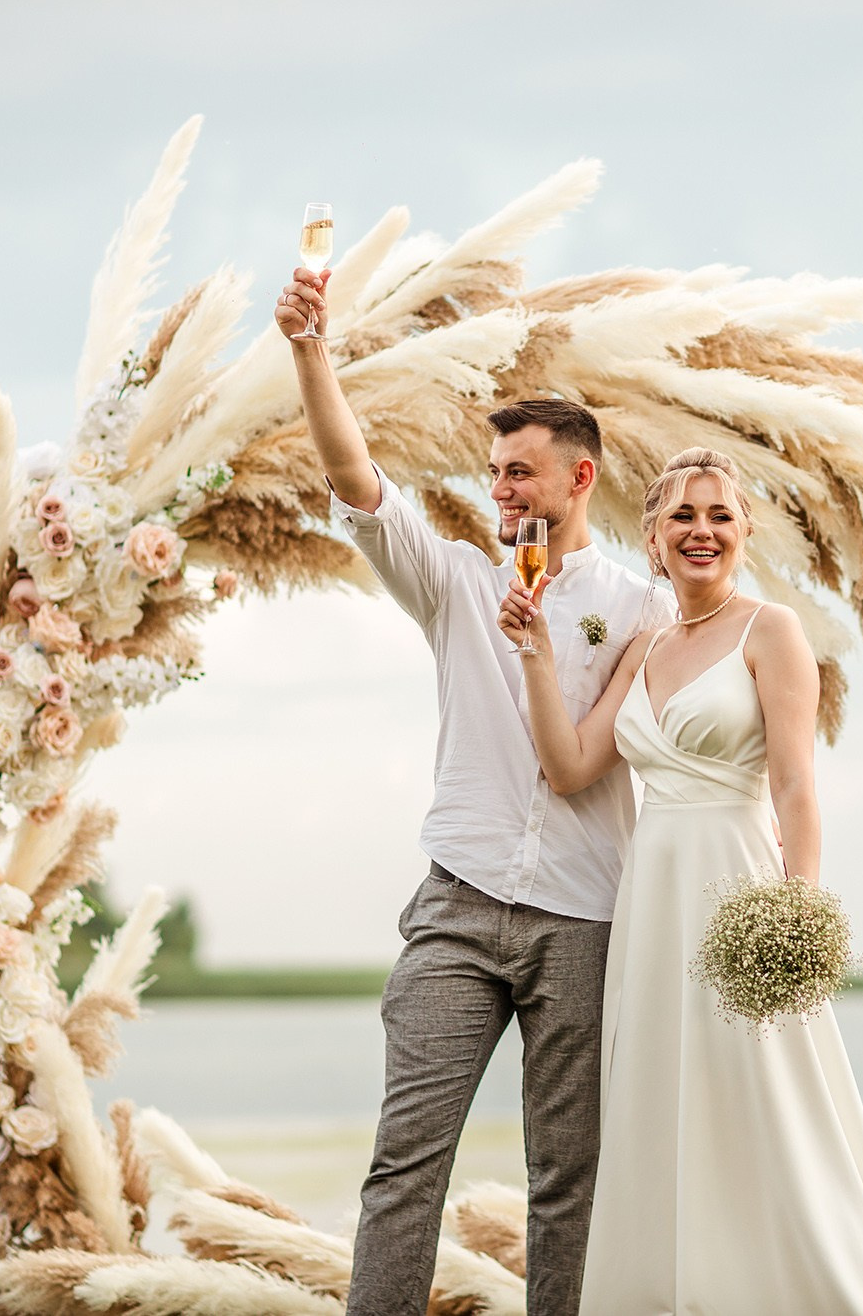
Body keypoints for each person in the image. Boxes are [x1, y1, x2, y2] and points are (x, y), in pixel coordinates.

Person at [275, 267, 675, 1316]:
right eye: (493, 471)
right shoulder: (453, 579)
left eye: (520, 473)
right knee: (404, 1160)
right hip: (455, 910)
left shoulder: (643, 607)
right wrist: (311, 355)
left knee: (566, 1182)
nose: (498, 488)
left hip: (583, 920)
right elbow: (353, 472)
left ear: (580, 477)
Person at [498, 448, 863, 1314]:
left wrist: (796, 915)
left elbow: (796, 783)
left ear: (743, 533)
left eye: (720, 516)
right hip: (651, 901)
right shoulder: (645, 645)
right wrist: (537, 654)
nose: (703, 531)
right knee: (662, 1105)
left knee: (766, 1101)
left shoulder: (771, 629)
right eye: (683, 517)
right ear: (653, 538)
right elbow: (574, 764)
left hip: (739, 891)